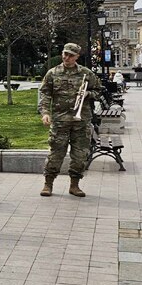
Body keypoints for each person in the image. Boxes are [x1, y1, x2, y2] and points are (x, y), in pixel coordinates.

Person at [38, 43, 102, 198]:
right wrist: (45, 112)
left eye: (70, 55)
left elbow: (98, 91)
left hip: (81, 121)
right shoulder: (53, 73)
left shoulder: (86, 74)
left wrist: (88, 94)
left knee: (80, 155)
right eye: (65, 54)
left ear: (77, 57)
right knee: (55, 154)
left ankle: (74, 185)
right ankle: (48, 184)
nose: (66, 57)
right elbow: (44, 93)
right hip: (60, 121)